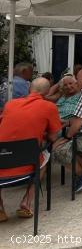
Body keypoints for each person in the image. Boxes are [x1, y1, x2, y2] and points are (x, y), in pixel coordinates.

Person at [0, 78, 61, 221]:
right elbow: (53, 137)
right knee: (45, 156)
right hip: (27, 165)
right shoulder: (49, 107)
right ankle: (26, 202)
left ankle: (0, 207)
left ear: (29, 90)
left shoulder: (10, 104)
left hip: (2, 160)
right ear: (46, 92)